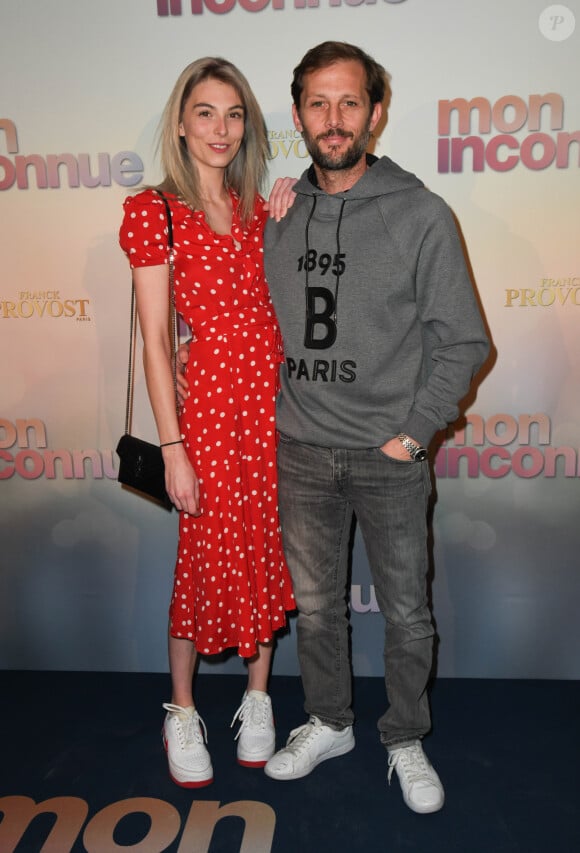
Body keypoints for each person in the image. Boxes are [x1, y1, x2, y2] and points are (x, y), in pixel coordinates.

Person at [260, 42, 490, 814]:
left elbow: (463, 340)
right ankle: (329, 720)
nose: (334, 119)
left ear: (376, 112)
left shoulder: (421, 212)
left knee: (407, 612)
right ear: (297, 116)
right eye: (318, 104)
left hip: (390, 455)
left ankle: (404, 734)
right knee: (318, 609)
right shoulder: (279, 215)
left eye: (350, 102)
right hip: (299, 451)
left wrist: (416, 429)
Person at [119, 57, 295, 789]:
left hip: (274, 406)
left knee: (266, 546)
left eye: (233, 114)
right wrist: (174, 447)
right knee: (203, 555)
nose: (220, 128)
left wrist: (292, 203)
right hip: (210, 416)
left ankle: (258, 696)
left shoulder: (260, 207)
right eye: (205, 112)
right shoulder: (153, 208)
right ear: (181, 121)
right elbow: (158, 339)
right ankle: (182, 708)